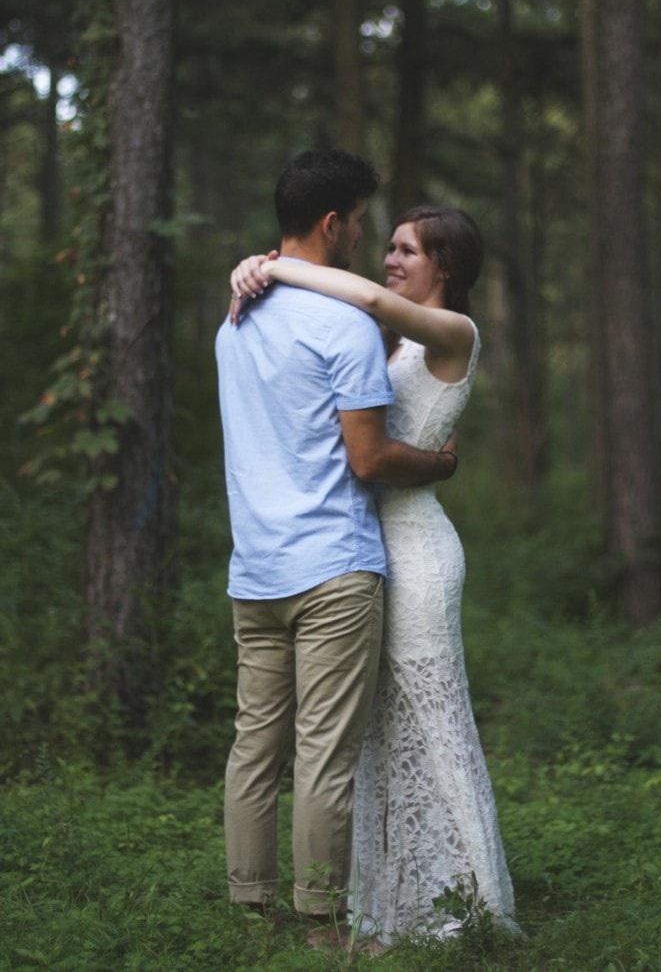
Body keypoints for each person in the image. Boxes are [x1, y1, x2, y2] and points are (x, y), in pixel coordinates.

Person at [229, 204, 519, 943]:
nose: (390, 259)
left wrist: (269, 264)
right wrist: (258, 267)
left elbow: (361, 296)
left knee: (433, 716)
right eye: (386, 246)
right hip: (356, 545)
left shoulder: (455, 333)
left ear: (444, 265)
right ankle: (389, 899)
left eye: (405, 249)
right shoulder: (389, 343)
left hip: (417, 548)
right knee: (371, 732)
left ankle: (473, 901)